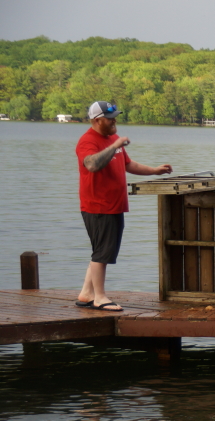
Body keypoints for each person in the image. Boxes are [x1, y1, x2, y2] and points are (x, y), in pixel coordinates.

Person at [75, 101, 172, 311]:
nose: (114, 121)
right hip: (98, 206)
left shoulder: (111, 140)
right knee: (103, 253)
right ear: (97, 120)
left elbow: (128, 164)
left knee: (101, 251)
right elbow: (91, 164)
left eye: (115, 117)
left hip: (114, 205)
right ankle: (99, 297)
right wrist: (114, 146)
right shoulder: (88, 141)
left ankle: (86, 293)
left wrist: (155, 170)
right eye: (110, 118)